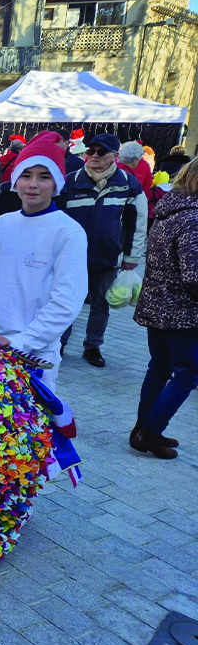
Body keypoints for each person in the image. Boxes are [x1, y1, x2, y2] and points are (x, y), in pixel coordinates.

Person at [0, 134, 88, 390]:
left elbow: (66, 302)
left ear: (57, 183)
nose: (33, 184)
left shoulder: (68, 232)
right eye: (26, 175)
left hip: (33, 353)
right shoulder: (3, 223)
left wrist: (22, 341)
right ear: (15, 180)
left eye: (44, 177)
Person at [61, 133, 147, 367]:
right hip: (73, 257)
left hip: (108, 257)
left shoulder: (128, 184)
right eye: (91, 151)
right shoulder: (71, 181)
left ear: (115, 156)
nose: (95, 155)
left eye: (101, 152)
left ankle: (92, 347)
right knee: (68, 302)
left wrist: (132, 257)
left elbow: (137, 222)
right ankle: (59, 342)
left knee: (101, 305)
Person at [131, 159, 198, 459]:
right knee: (187, 373)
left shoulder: (170, 209)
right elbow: (193, 275)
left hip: (158, 306)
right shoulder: (193, 217)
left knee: (159, 367)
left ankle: (142, 429)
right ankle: (150, 432)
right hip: (181, 311)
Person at [118, 140, 154, 208]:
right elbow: (148, 183)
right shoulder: (145, 165)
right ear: (135, 159)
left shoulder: (114, 164)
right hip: (134, 202)